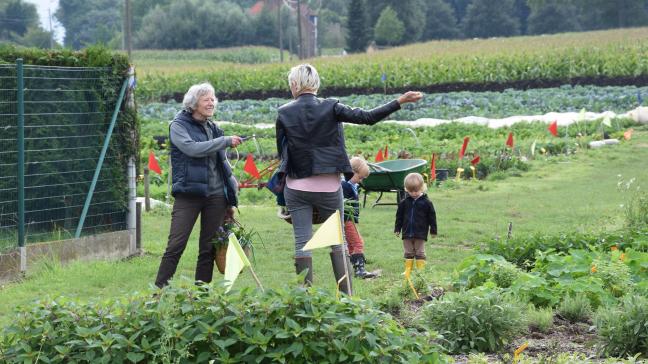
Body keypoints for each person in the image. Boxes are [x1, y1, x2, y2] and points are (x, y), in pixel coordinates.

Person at [276, 63, 423, 295]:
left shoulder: (283, 112)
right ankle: (347, 298)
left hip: (297, 187)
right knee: (338, 242)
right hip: (329, 187)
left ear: (294, 85)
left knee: (302, 243)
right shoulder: (332, 107)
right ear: (316, 84)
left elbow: (282, 153)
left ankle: (304, 301)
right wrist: (399, 101)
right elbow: (367, 117)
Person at [154, 82, 243, 288]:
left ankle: (202, 297)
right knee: (175, 246)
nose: (211, 103)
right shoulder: (179, 125)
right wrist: (225, 141)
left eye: (213, 99)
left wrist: (230, 198)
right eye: (207, 99)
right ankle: (157, 293)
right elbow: (192, 149)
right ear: (194, 104)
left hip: (215, 197)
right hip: (189, 195)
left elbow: (223, 166)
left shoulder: (214, 128)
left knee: (209, 248)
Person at [394, 172, 437, 280]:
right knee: (408, 252)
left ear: (422, 188)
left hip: (420, 233)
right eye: (410, 191)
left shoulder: (427, 203)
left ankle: (420, 272)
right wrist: (397, 229)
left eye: (416, 191)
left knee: (420, 252)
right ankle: (407, 271)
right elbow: (399, 216)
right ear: (406, 189)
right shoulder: (404, 203)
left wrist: (433, 230)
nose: (413, 193)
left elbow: (432, 217)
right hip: (407, 232)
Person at [342, 157, 376, 279]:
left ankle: (352, 268)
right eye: (360, 177)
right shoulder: (344, 186)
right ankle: (360, 270)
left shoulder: (351, 185)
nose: (360, 181)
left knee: (351, 244)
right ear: (352, 172)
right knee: (357, 242)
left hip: (350, 219)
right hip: (346, 219)